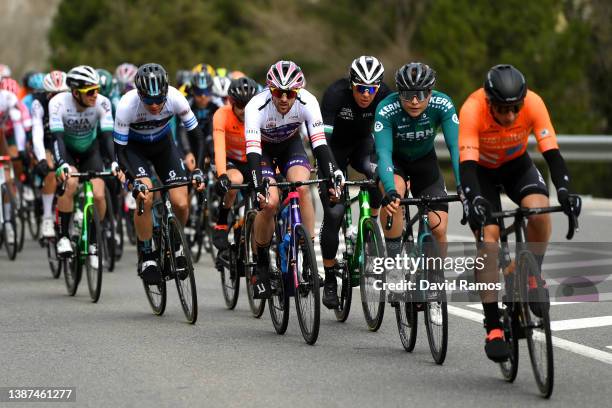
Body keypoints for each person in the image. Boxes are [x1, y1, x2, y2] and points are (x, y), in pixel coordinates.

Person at [459, 64, 580, 362]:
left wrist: (564, 191)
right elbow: (468, 168)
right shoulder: (472, 109)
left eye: (515, 108)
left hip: (517, 167)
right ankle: (493, 325)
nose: (510, 115)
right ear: (489, 102)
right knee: (488, 241)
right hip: (481, 174)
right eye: (502, 109)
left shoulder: (535, 103)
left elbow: (552, 154)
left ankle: (532, 275)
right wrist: (474, 201)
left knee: (538, 212)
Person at [244, 60, 342, 299]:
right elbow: (254, 153)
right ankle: (262, 263)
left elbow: (319, 144)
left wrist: (331, 176)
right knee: (270, 203)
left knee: (303, 188)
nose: (285, 99)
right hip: (264, 151)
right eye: (279, 92)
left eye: (290, 93)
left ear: (298, 92)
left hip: (290, 146)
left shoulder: (308, 101)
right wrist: (259, 185)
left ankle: (307, 256)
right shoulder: (256, 106)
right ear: (270, 90)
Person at [113, 63, 205, 284]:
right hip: (134, 151)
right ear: (139, 94)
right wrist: (133, 180)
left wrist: (199, 169)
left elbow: (197, 137)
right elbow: (120, 151)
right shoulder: (127, 105)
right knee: (146, 194)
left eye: (158, 100)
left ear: (166, 92)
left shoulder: (175, 98)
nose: (154, 105)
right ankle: (147, 254)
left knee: (181, 203)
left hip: (164, 147)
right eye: (148, 101)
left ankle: (175, 244)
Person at [318, 56, 391, 309]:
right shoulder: (335, 94)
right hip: (333, 150)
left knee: (380, 173)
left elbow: (388, 137)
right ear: (351, 85)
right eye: (361, 88)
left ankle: (369, 222)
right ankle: (329, 280)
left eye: (372, 89)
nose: (366, 94)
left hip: (362, 147)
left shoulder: (385, 95)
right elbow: (321, 141)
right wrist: (331, 171)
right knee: (335, 212)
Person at [375, 62, 461, 273]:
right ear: (399, 92)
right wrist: (390, 189)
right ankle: (394, 263)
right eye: (408, 94)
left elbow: (455, 148)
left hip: (425, 162)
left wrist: (462, 184)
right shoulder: (386, 109)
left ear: (431, 92)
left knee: (438, 228)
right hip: (396, 162)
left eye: (421, 94)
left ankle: (436, 277)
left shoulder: (443, 104)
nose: (414, 101)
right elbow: (384, 153)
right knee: (395, 195)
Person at [50, 65, 117, 256]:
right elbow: (57, 139)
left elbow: (106, 137)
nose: (95, 94)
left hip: (90, 150)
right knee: (70, 183)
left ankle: (95, 238)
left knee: (98, 194)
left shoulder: (102, 103)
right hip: (68, 151)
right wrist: (62, 163)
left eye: (96, 89)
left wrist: (113, 161)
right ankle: (63, 237)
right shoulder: (58, 103)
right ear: (75, 92)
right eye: (90, 91)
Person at [211, 77, 259, 250]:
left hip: (254, 160)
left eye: (249, 105)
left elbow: (269, 146)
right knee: (235, 181)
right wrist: (222, 174)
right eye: (239, 105)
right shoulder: (221, 114)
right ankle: (222, 221)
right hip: (232, 161)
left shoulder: (261, 114)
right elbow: (219, 147)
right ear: (231, 102)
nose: (244, 111)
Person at [30, 70, 69, 238]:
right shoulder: (38, 104)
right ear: (46, 93)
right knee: (52, 173)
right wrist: (41, 159)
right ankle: (47, 216)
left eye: (63, 94)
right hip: (47, 142)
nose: (58, 98)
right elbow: (37, 132)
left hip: (66, 141)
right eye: (54, 95)